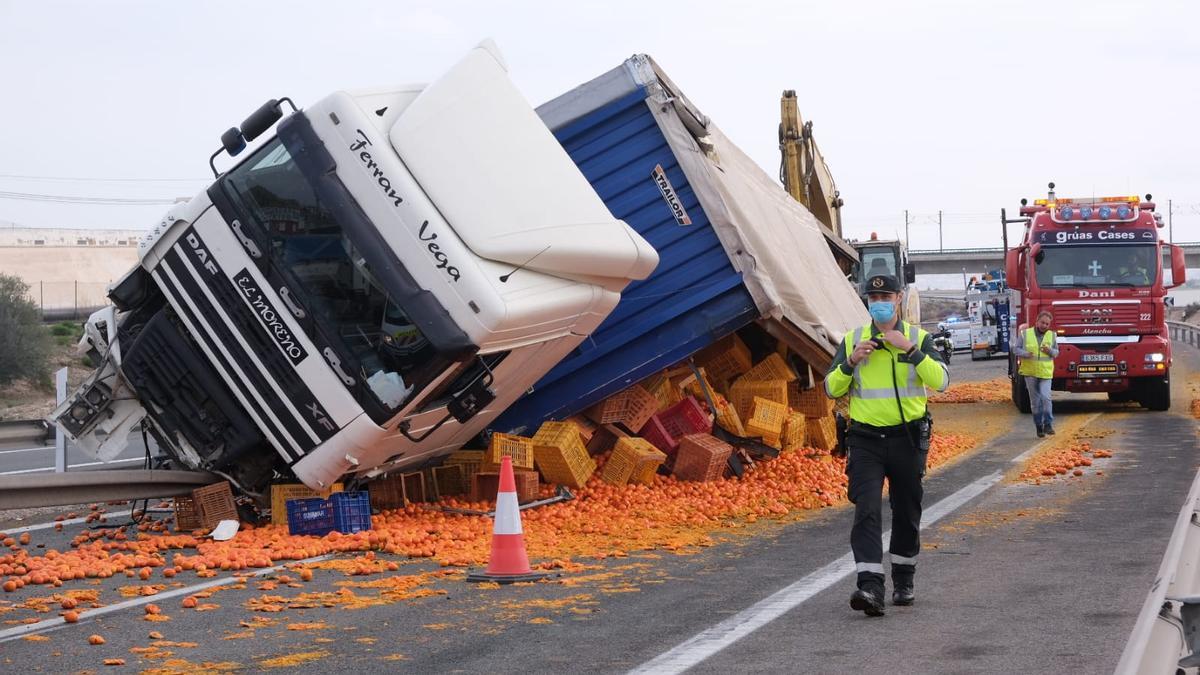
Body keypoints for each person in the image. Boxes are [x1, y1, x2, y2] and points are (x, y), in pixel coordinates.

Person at [824, 274, 949, 617]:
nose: (879, 300)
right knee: (866, 508)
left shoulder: (917, 338)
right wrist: (850, 363)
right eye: (873, 295)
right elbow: (830, 388)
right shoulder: (853, 340)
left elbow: (942, 381)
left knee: (907, 509)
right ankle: (870, 586)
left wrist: (910, 351)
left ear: (898, 299)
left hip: (907, 438)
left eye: (886, 294)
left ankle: (904, 579)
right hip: (865, 439)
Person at [1014, 310, 1058, 437]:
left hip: (1045, 373)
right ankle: (1039, 426)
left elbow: (1056, 353)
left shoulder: (1052, 336)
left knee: (1046, 397)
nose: (1045, 325)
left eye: (1047, 324)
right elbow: (1016, 349)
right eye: (1043, 322)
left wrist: (1049, 351)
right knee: (1035, 402)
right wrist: (1025, 354)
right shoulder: (1025, 334)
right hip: (1030, 373)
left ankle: (1048, 424)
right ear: (1037, 321)